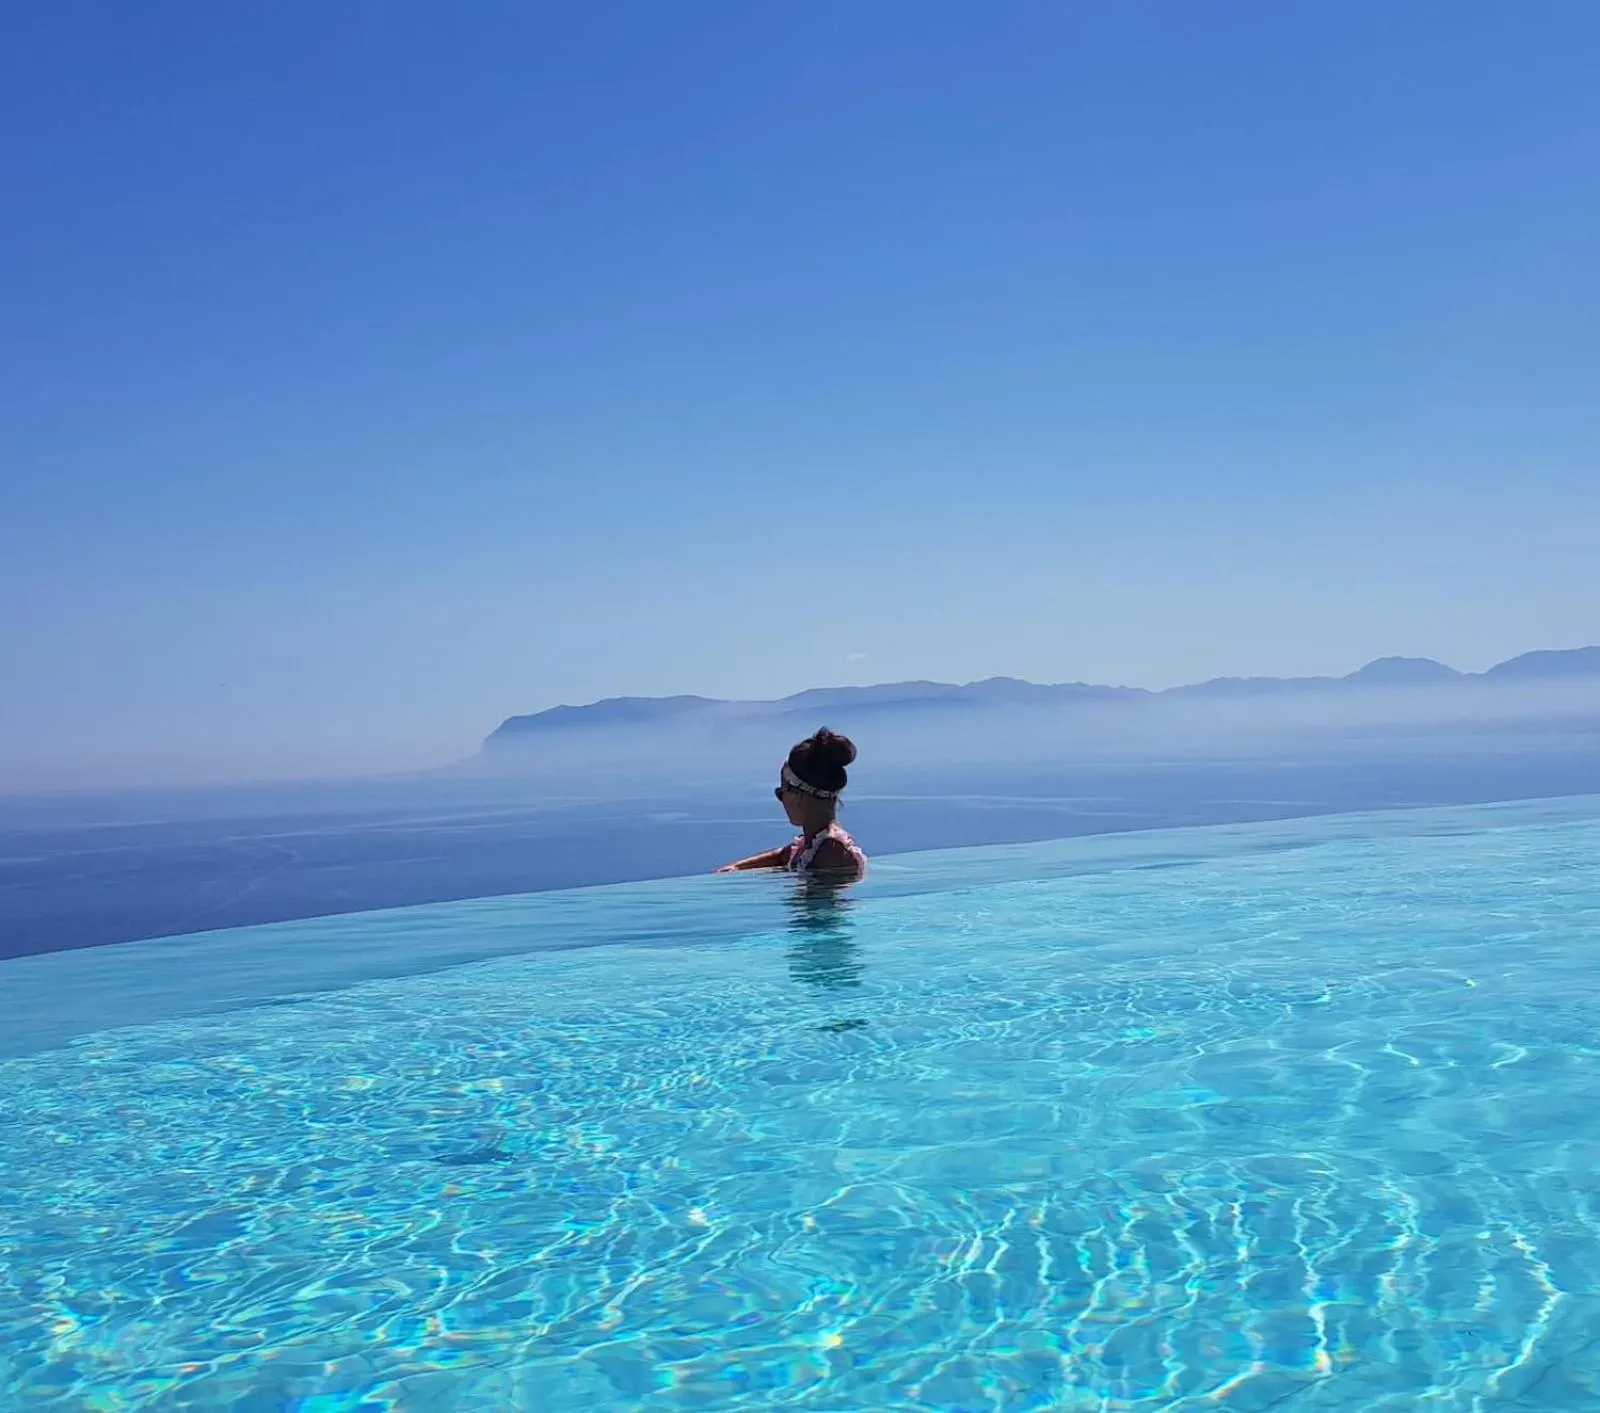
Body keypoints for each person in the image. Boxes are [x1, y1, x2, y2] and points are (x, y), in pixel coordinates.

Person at [716, 728, 868, 878]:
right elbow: (782, 855)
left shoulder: (830, 852)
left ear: (798, 795)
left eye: (781, 793)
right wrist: (734, 868)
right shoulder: (814, 844)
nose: (781, 802)